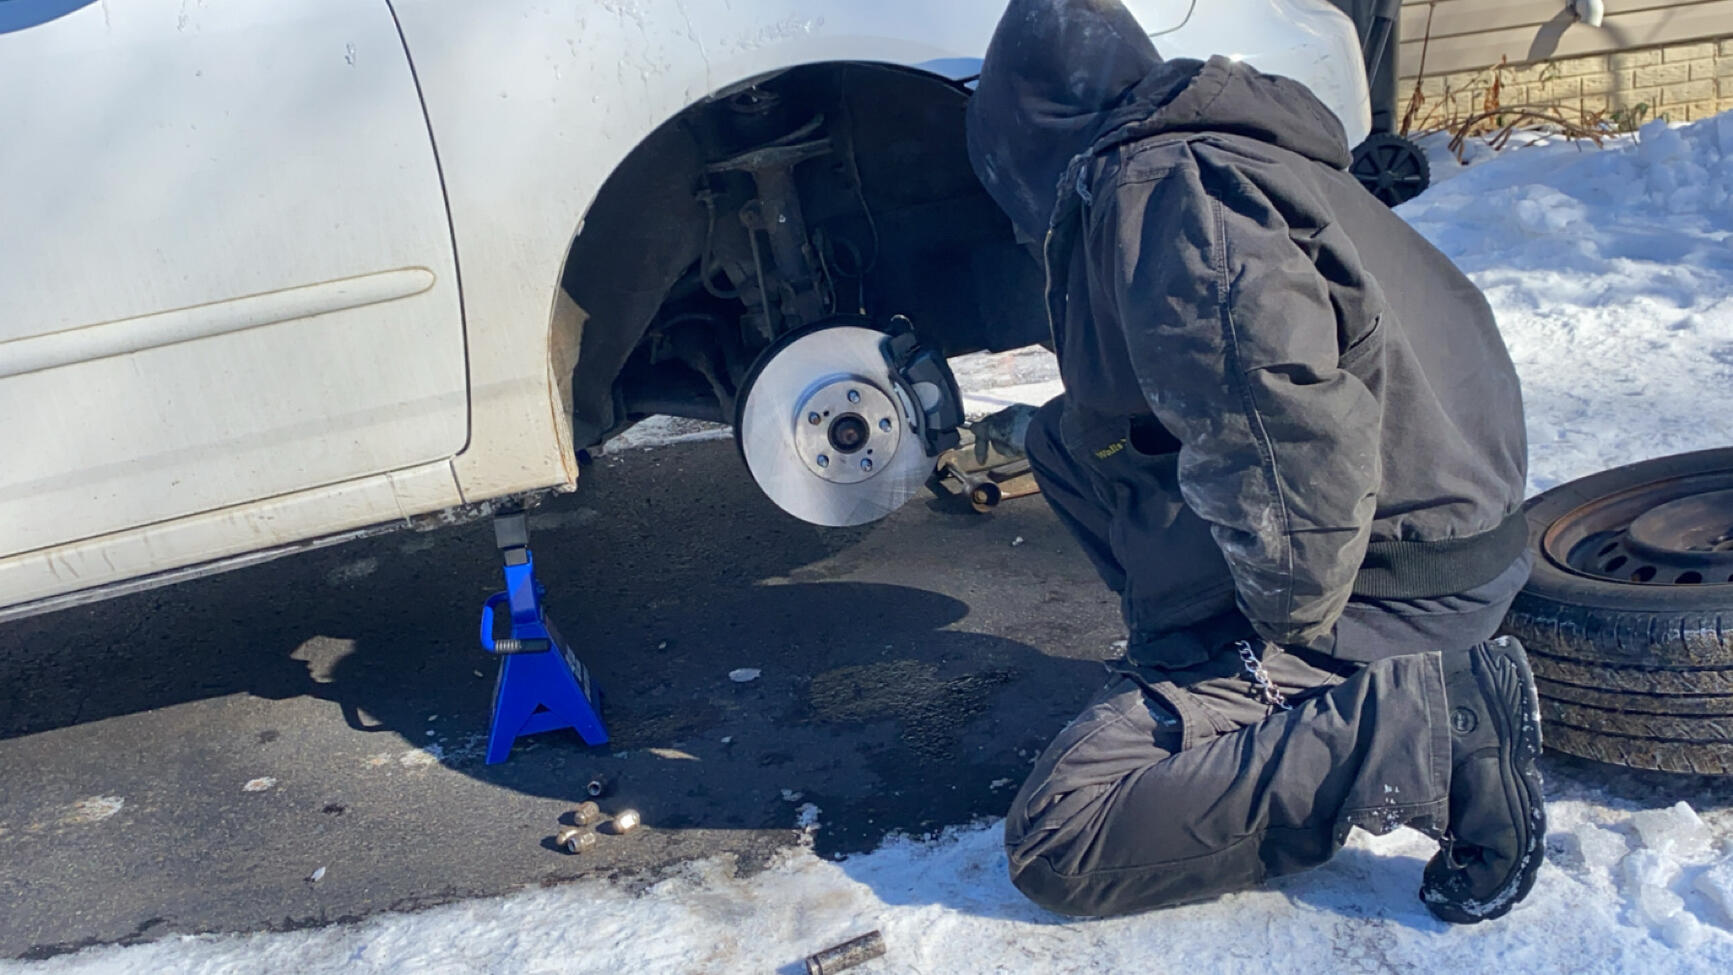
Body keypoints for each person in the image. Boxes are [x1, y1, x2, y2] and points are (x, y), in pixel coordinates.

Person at [964, 0, 1544, 923]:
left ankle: (1424, 724)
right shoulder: (1217, 155)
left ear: (1026, 147)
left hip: (1389, 584)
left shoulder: (1162, 189)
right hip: (1439, 523)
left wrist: (1274, 644)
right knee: (1065, 442)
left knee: (1063, 837)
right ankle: (1202, 656)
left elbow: (1288, 440)